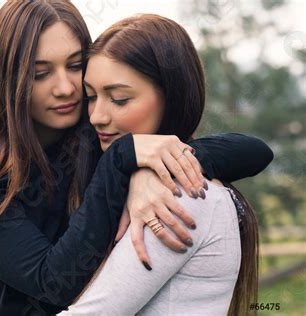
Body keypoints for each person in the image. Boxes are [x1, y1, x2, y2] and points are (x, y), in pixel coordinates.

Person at [0, 2, 273, 315]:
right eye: (40, 73)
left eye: (75, 66)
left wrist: (148, 168)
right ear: (8, 79)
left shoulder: (96, 140)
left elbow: (254, 151)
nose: (65, 88)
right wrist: (125, 158)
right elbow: (55, 283)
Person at [59, 14, 263, 316]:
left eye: (119, 99)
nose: (96, 116)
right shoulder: (127, 183)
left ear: (172, 97)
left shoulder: (181, 197)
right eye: (91, 96)